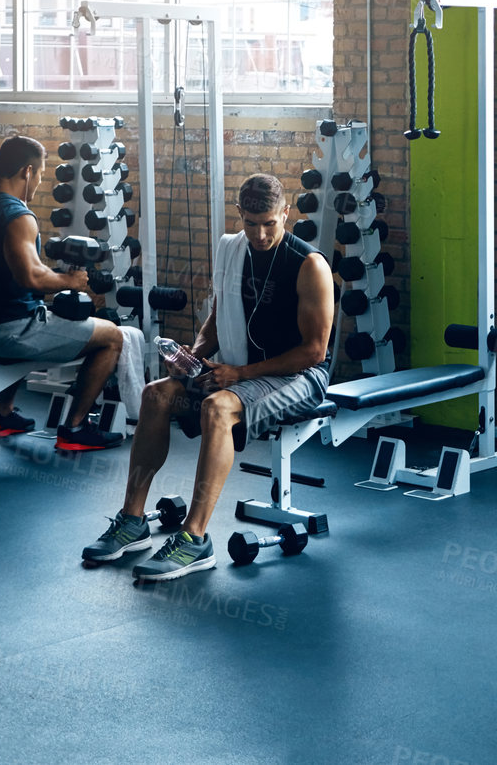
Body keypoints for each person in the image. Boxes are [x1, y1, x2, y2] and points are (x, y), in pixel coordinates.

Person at [83, 174, 333, 583]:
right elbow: (216, 319)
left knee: (218, 408)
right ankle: (132, 521)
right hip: (240, 365)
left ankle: (194, 540)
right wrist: (193, 357)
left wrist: (240, 374)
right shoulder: (232, 250)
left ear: (286, 213)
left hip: (299, 375)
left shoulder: (308, 266)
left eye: (270, 223)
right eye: (251, 223)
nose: (260, 233)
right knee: (156, 395)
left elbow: (315, 351)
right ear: (240, 216)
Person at [0, 135, 124, 451]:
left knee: (32, 314)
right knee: (112, 336)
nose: (39, 181)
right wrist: (71, 281)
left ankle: (3, 416)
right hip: (9, 333)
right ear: (27, 171)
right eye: (40, 173)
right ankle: (75, 429)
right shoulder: (18, 216)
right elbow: (31, 278)